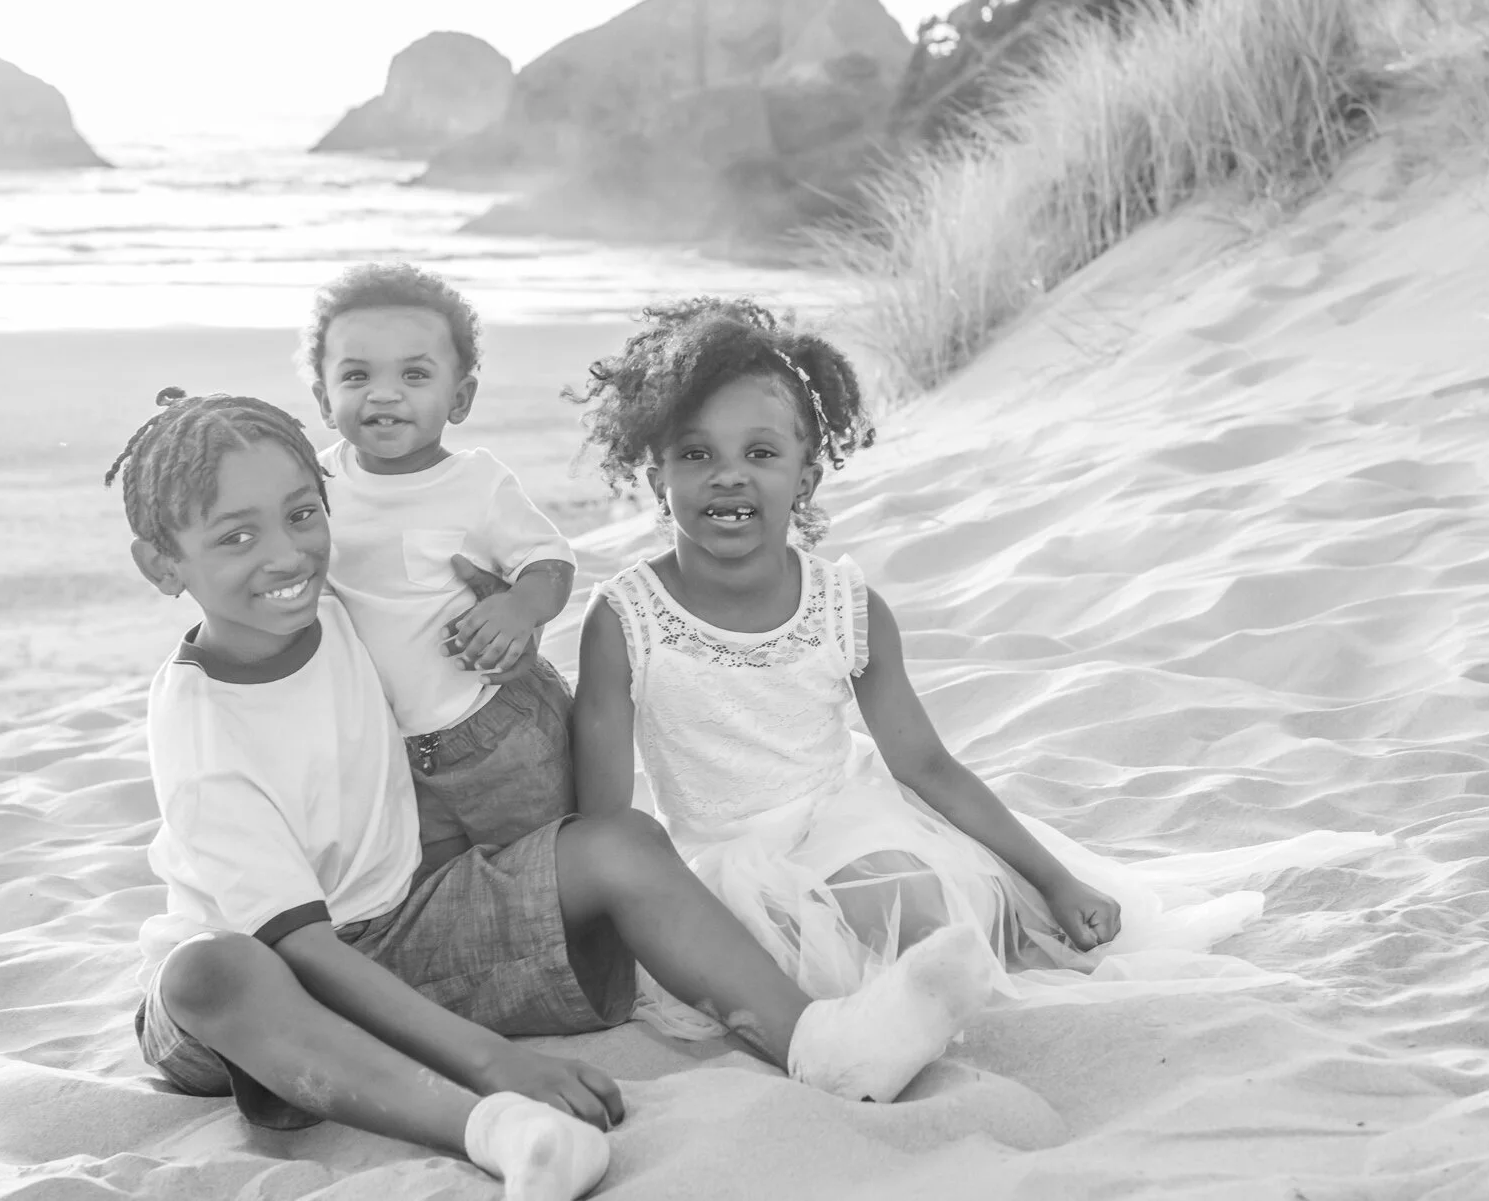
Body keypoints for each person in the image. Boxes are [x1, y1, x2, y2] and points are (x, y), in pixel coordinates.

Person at [107, 389, 995, 1201]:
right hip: (263, 985)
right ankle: (499, 1132)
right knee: (209, 967)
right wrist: (495, 1065)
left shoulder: (333, 599)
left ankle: (822, 1044)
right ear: (160, 565)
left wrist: (517, 609)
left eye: (302, 514)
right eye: (234, 537)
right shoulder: (203, 729)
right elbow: (300, 942)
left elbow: (473, 604)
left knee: (618, 839)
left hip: (402, 927)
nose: (285, 553)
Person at [567, 299, 1386, 1035]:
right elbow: (607, 819)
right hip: (720, 856)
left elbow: (924, 764)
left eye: (760, 451)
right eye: (695, 453)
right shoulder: (627, 618)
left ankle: (945, 983)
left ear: (806, 475)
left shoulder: (844, 608)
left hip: (846, 822)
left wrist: (1055, 878)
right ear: (654, 473)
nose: (728, 474)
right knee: (770, 949)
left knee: (918, 905)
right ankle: (876, 1018)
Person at [301, 263, 577, 869]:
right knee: (439, 885)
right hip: (391, 752)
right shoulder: (313, 484)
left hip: (493, 728)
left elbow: (549, 558)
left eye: (415, 374)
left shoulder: (474, 482)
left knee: (544, 867)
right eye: (356, 375)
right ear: (324, 399)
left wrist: (519, 607)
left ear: (460, 397)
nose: (384, 393)